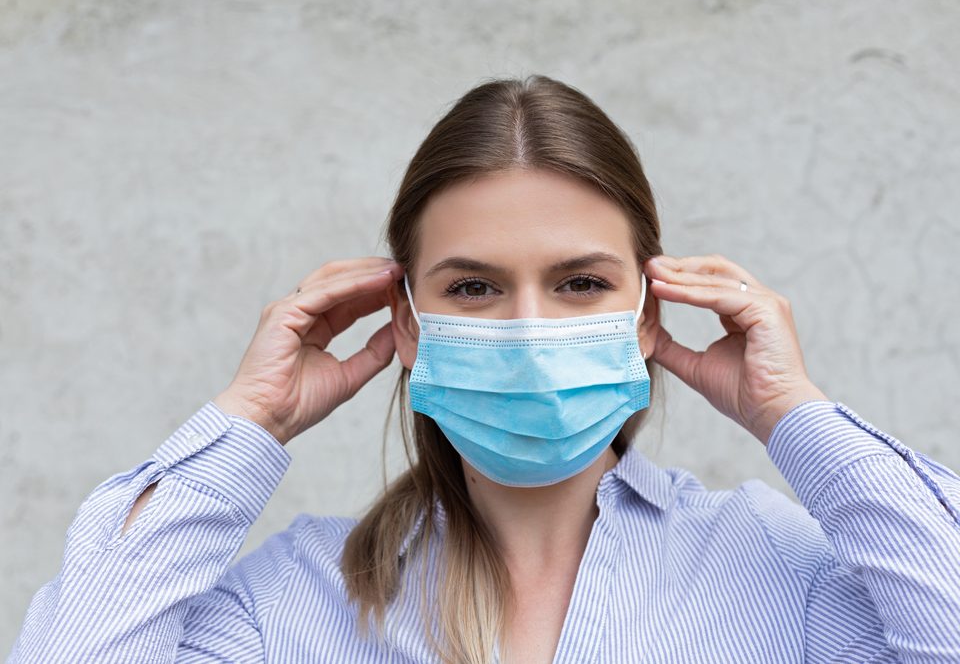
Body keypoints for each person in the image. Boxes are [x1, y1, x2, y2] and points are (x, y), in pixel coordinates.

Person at [8, 75, 960, 664]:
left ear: (648, 313)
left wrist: (794, 413)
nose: (529, 328)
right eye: (473, 289)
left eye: (581, 282)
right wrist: (247, 420)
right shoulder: (293, 597)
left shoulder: (776, 571)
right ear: (407, 323)